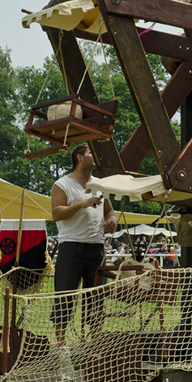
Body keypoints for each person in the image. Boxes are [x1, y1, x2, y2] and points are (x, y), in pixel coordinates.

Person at [50, 143, 117, 346]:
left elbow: (109, 211)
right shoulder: (62, 184)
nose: (94, 155)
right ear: (79, 157)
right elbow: (56, 214)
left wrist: (112, 220)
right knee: (65, 297)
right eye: (90, 152)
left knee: (96, 299)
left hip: (96, 248)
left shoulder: (100, 184)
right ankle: (62, 347)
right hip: (71, 247)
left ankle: (94, 347)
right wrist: (81, 204)